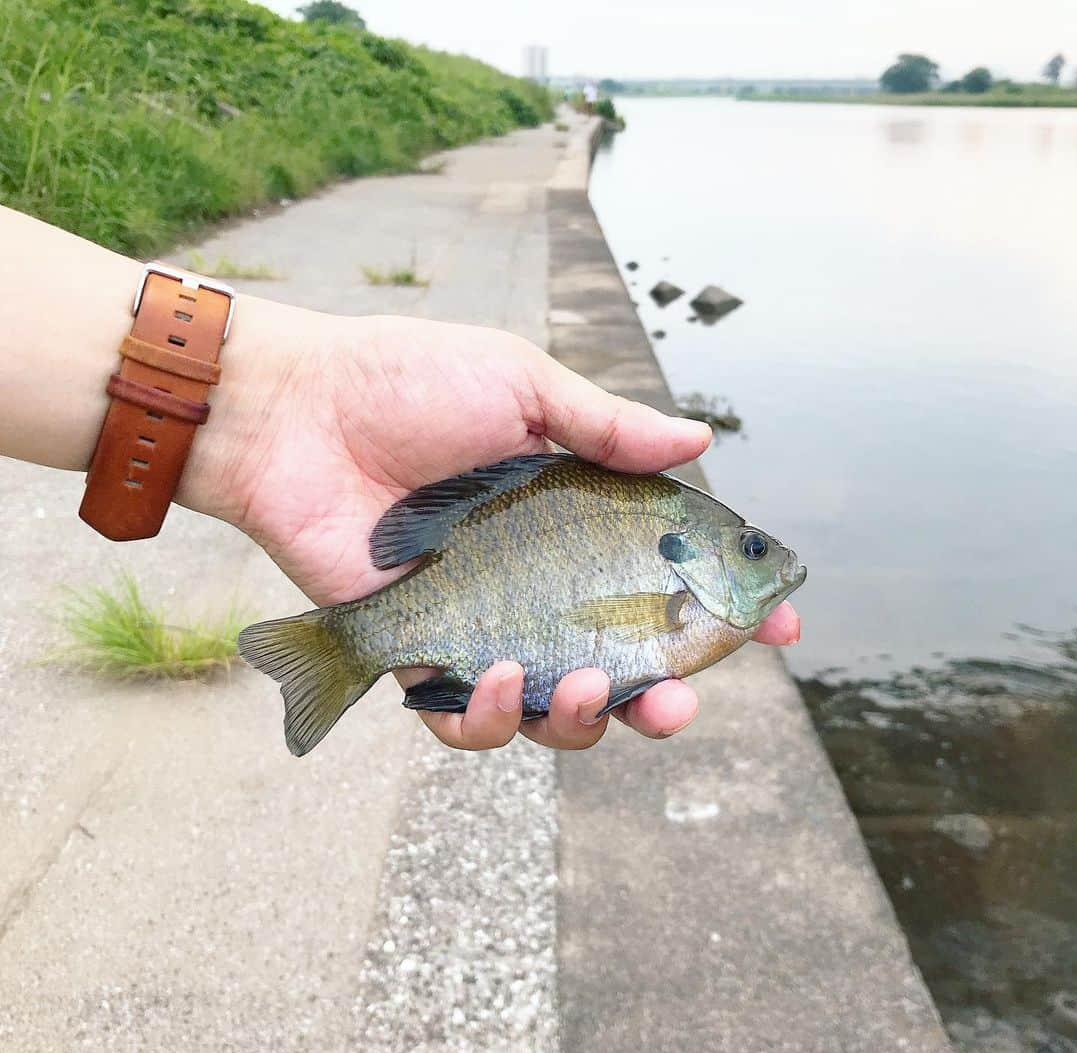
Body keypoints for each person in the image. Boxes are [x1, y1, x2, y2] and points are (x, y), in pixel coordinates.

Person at [0, 205, 800, 752]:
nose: (772, 561)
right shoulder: (683, 567)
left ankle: (352, 643)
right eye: (752, 550)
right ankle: (349, 643)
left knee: (587, 691)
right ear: (695, 555)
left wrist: (258, 399)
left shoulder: (677, 553)